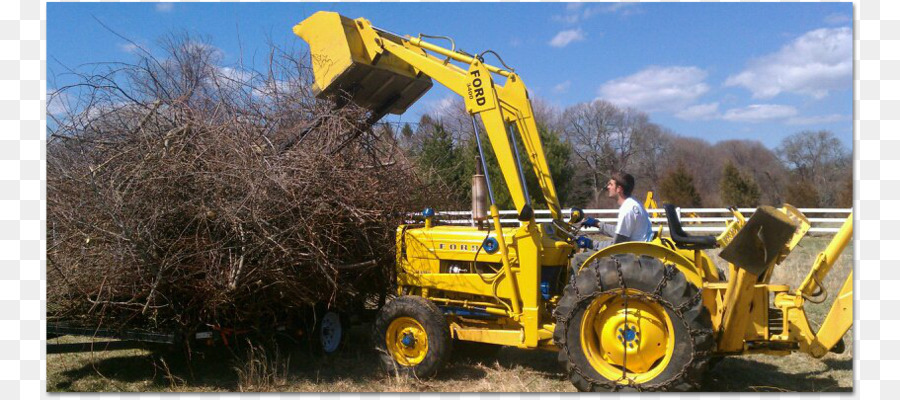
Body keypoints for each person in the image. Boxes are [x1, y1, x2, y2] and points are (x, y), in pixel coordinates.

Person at [572, 172, 653, 272]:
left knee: (577, 260)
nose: (608, 187)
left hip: (629, 256)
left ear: (619, 189)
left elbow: (617, 246)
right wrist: (597, 224)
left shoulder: (627, 210)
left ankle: (578, 287)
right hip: (635, 250)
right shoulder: (634, 204)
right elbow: (622, 233)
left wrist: (592, 244)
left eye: (611, 184)